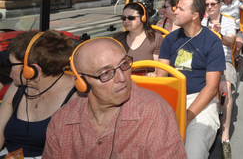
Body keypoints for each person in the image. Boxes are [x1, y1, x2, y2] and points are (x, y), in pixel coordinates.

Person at [43, 37, 186, 158]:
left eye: (124, 64)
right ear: (81, 82)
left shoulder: (155, 112)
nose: (122, 78)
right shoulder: (61, 121)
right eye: (106, 73)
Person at [158, 0, 225, 159]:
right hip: (171, 99)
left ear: (195, 15)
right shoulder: (170, 40)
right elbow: (161, 78)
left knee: (193, 153)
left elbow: (211, 87)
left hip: (200, 103)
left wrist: (187, 116)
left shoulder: (212, 42)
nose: (175, 11)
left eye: (181, 9)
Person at [0, 30, 78, 158]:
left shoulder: (76, 97)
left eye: (10, 64)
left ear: (32, 70)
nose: (8, 71)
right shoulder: (17, 87)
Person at [201, 0, 237, 158]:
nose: (209, 7)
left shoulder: (228, 21)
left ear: (219, 5)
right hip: (203, 61)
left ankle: (224, 137)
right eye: (207, 4)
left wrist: (219, 34)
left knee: (225, 88)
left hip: (223, 60)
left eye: (213, 4)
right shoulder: (201, 22)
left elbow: (230, 42)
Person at [113, 2, 163, 66]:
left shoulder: (156, 39)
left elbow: (159, 68)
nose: (126, 21)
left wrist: (153, 74)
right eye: (123, 18)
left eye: (131, 18)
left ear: (143, 18)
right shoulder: (117, 38)